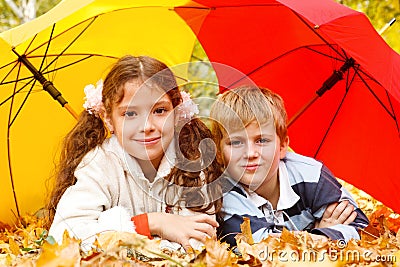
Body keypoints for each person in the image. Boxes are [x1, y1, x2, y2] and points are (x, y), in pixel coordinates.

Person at [46, 55, 223, 250]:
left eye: (159, 111)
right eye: (130, 114)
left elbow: (199, 241)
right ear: (108, 118)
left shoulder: (191, 159)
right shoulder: (99, 164)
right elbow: (63, 237)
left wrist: (110, 229)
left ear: (176, 111)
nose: (146, 126)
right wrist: (151, 223)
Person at [209, 85, 369, 247]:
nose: (250, 153)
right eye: (236, 142)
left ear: (282, 146)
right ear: (220, 152)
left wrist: (320, 237)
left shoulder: (310, 174)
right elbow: (261, 248)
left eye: (262, 140)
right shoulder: (225, 194)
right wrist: (322, 237)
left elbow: (363, 228)